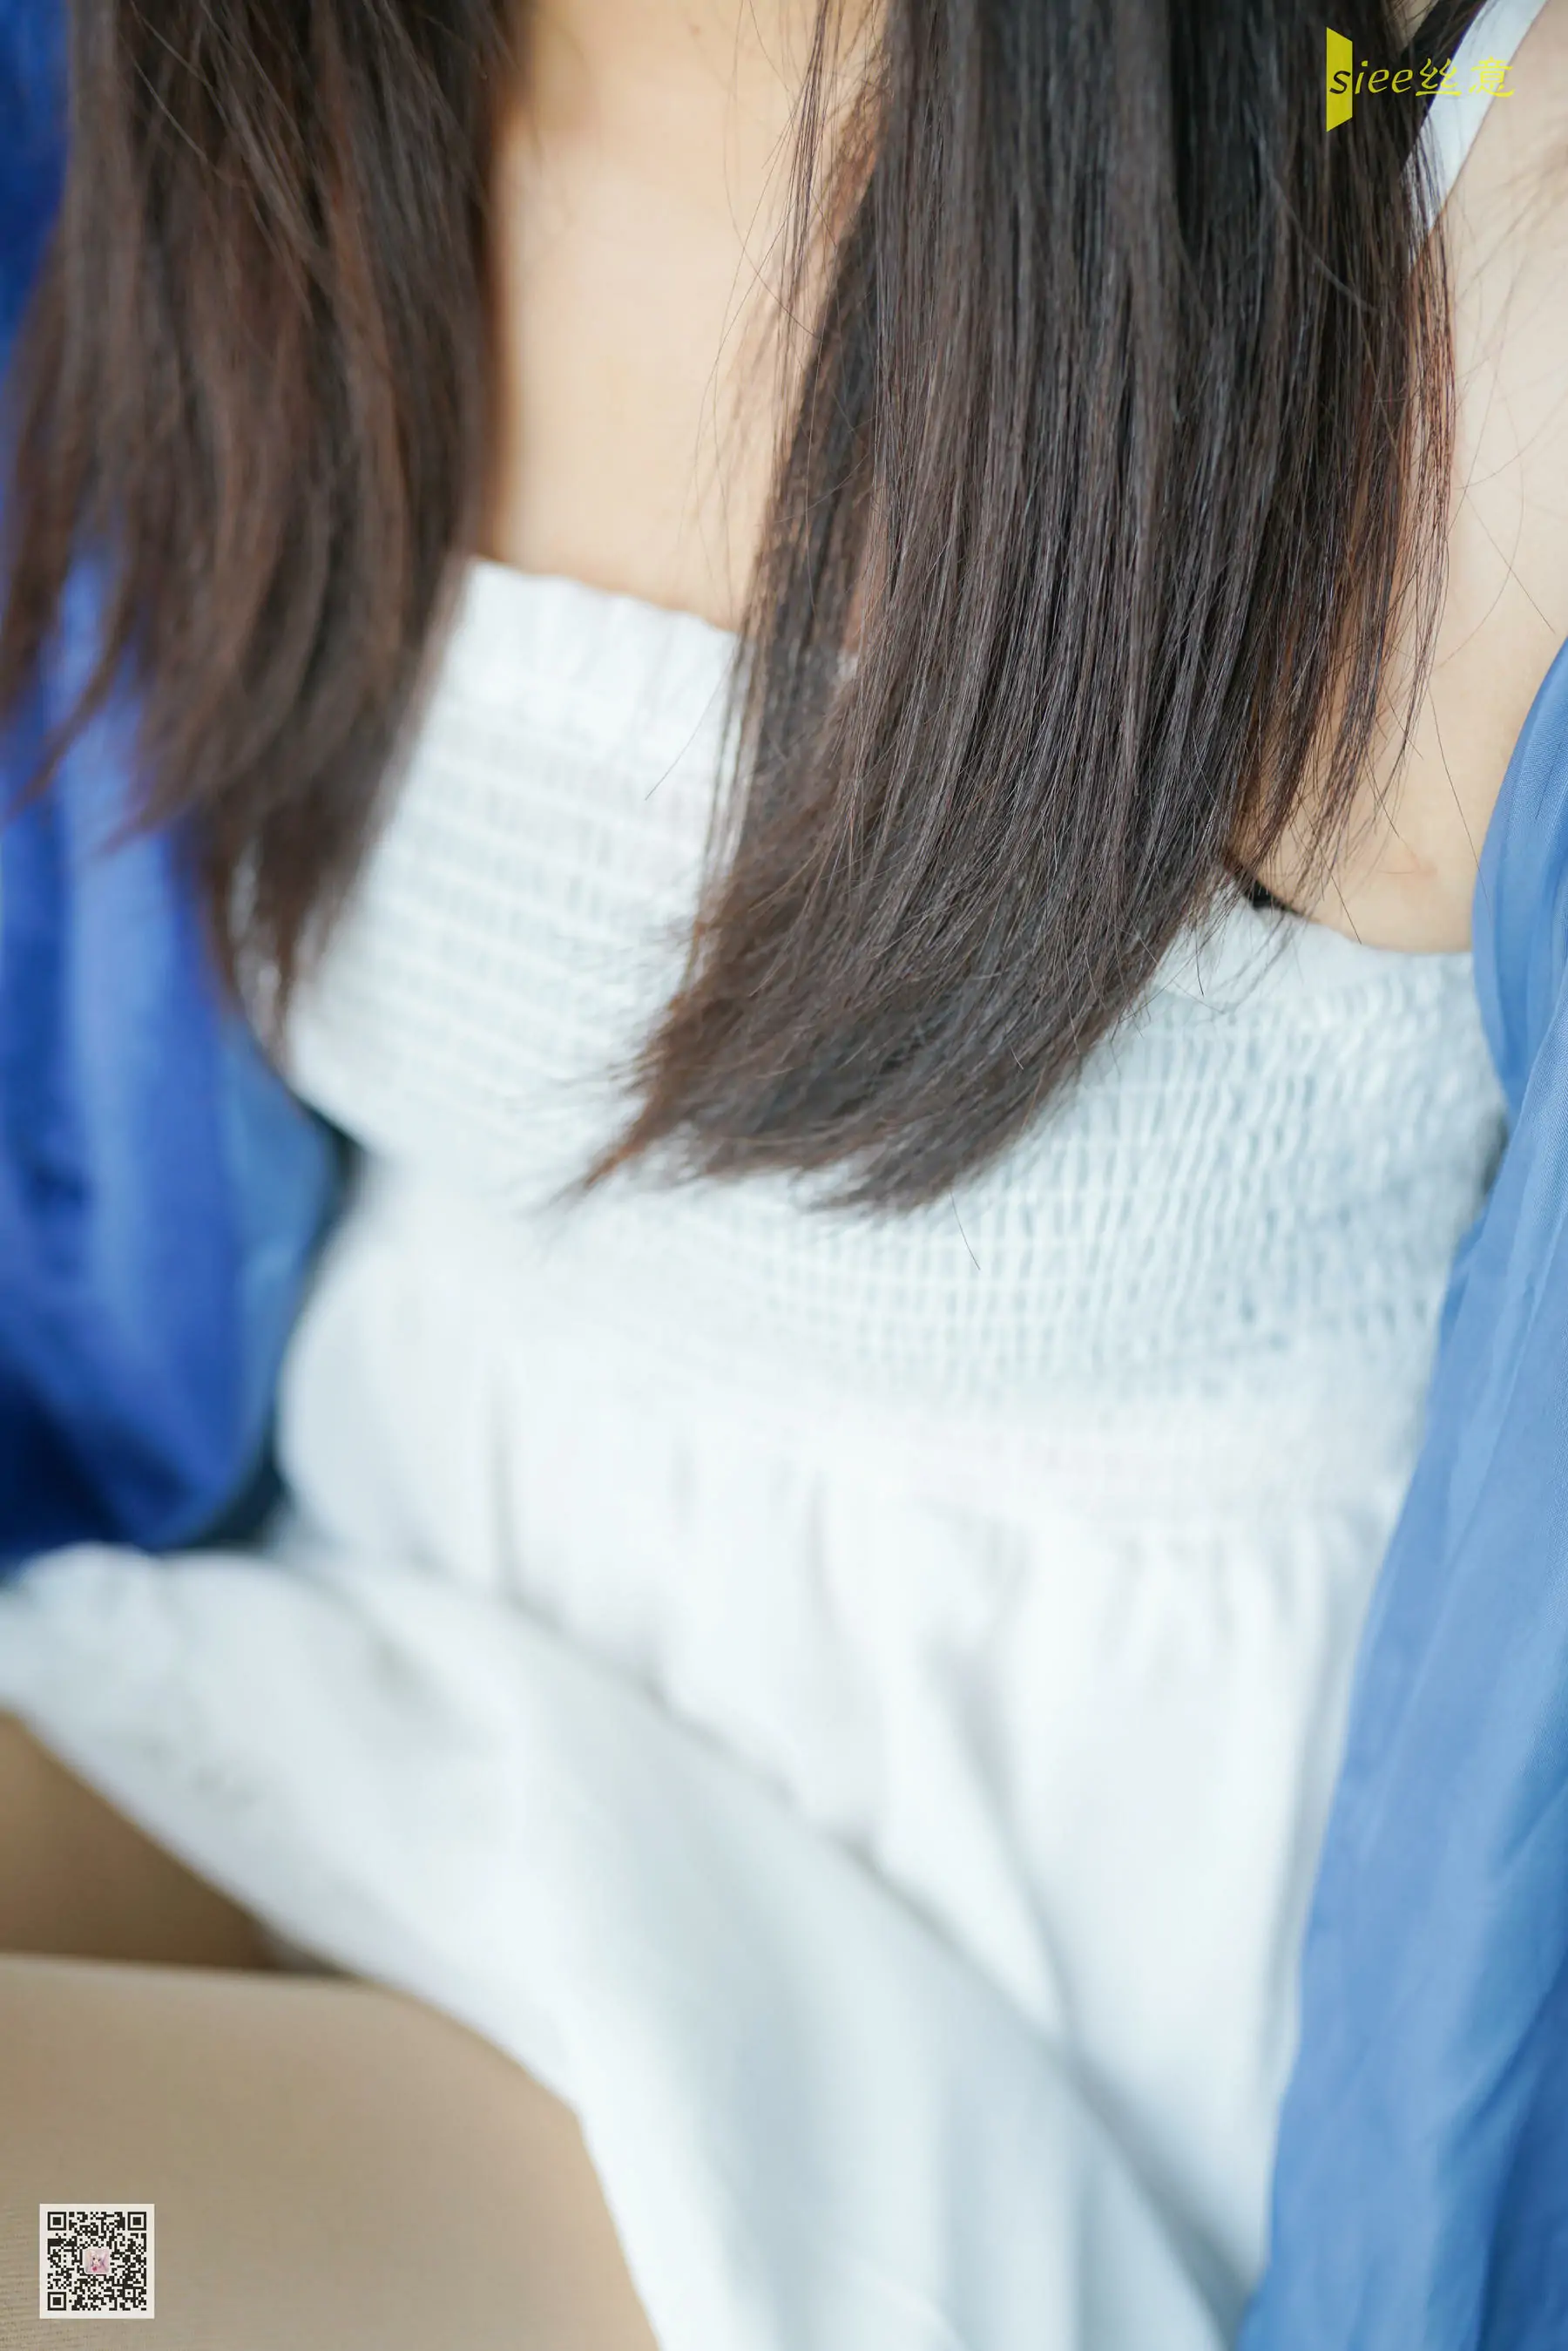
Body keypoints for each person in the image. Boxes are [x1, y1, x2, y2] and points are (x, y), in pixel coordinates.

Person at [2, 0, 1566, 2344]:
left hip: (955, 2093)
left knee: (50, 2249)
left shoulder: (1446, 197)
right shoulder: (298, 82)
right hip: (362, 1696)